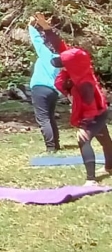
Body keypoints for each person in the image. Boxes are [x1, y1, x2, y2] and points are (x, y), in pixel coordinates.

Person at [36, 14, 112, 186]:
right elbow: (60, 47)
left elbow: (91, 108)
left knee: (83, 139)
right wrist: (46, 28)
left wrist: (85, 126)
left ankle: (91, 180)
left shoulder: (85, 84)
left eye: (63, 62)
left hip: (96, 113)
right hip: (95, 111)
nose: (60, 62)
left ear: (72, 64)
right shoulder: (75, 66)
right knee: (105, 139)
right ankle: (110, 167)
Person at [27, 16, 63, 153]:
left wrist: (30, 26)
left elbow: (37, 41)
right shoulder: (61, 60)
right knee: (50, 117)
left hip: (39, 88)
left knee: (43, 118)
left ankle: (50, 147)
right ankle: (56, 144)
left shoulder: (45, 54)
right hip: (53, 91)